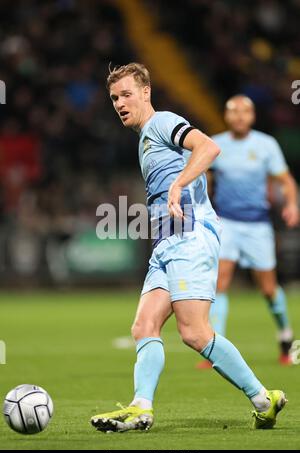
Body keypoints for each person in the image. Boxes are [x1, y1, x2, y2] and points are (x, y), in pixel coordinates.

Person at [91, 64, 287, 433]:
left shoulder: (163, 122)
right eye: (115, 98)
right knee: (143, 325)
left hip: (190, 235)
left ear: (146, 92)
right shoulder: (145, 137)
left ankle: (264, 397)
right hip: (167, 242)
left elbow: (208, 147)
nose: (120, 102)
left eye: (127, 94)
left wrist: (180, 184)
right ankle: (141, 408)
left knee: (194, 333)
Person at [198, 95, 299, 370]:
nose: (240, 116)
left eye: (245, 111)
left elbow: (286, 180)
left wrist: (291, 203)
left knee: (268, 289)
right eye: (234, 111)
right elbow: (200, 173)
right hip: (226, 223)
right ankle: (215, 348)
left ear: (252, 116)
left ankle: (285, 337)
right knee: (220, 284)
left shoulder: (266, 145)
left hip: (258, 225)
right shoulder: (215, 144)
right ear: (226, 116)